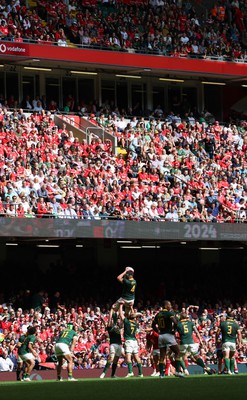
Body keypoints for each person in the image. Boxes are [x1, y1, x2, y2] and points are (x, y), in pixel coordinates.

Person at [152, 300, 183, 378]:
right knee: (178, 352)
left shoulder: (158, 314)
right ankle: (177, 372)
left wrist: (158, 331)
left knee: (162, 355)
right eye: (169, 305)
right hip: (168, 335)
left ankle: (161, 374)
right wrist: (174, 330)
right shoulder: (169, 313)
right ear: (166, 306)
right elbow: (175, 322)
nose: (171, 306)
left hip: (161, 336)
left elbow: (153, 325)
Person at [119, 303, 143, 378]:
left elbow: (121, 314)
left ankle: (130, 372)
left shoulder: (126, 321)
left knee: (128, 357)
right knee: (136, 357)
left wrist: (121, 305)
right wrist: (131, 307)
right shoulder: (135, 323)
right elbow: (133, 315)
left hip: (129, 341)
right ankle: (140, 373)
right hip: (135, 341)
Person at [100, 309, 123, 378]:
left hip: (119, 344)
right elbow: (108, 320)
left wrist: (119, 309)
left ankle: (112, 374)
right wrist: (112, 310)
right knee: (111, 358)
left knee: (116, 360)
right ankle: (103, 373)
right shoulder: (110, 327)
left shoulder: (118, 327)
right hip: (113, 344)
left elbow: (121, 319)